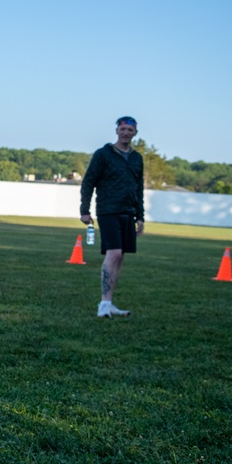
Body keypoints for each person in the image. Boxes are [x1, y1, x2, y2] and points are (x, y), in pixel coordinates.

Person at [79, 115, 144, 318]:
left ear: (135, 133)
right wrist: (84, 209)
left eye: (130, 130)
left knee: (120, 257)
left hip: (128, 213)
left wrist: (140, 216)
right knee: (113, 254)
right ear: (116, 131)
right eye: (122, 129)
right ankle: (103, 304)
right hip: (108, 210)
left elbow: (138, 188)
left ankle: (109, 302)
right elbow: (89, 181)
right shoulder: (103, 154)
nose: (126, 133)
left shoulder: (136, 158)